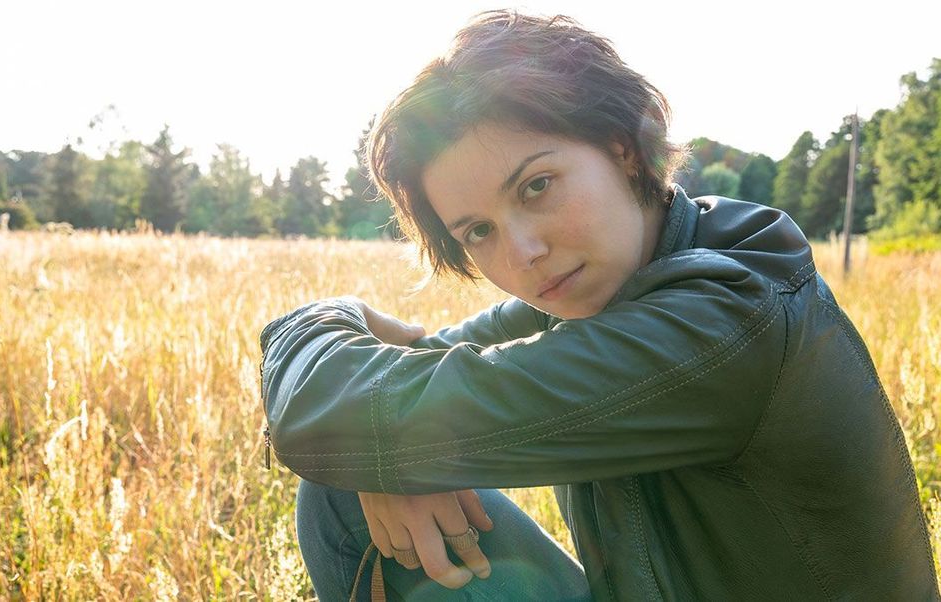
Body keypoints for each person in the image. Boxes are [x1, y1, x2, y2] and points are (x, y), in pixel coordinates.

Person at [259, 10, 939, 601]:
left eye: (536, 186)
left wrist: (307, 326)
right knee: (353, 472)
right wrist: (381, 451)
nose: (521, 251)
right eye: (478, 231)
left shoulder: (721, 321)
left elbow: (332, 415)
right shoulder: (601, 284)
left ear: (621, 147)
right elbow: (370, 408)